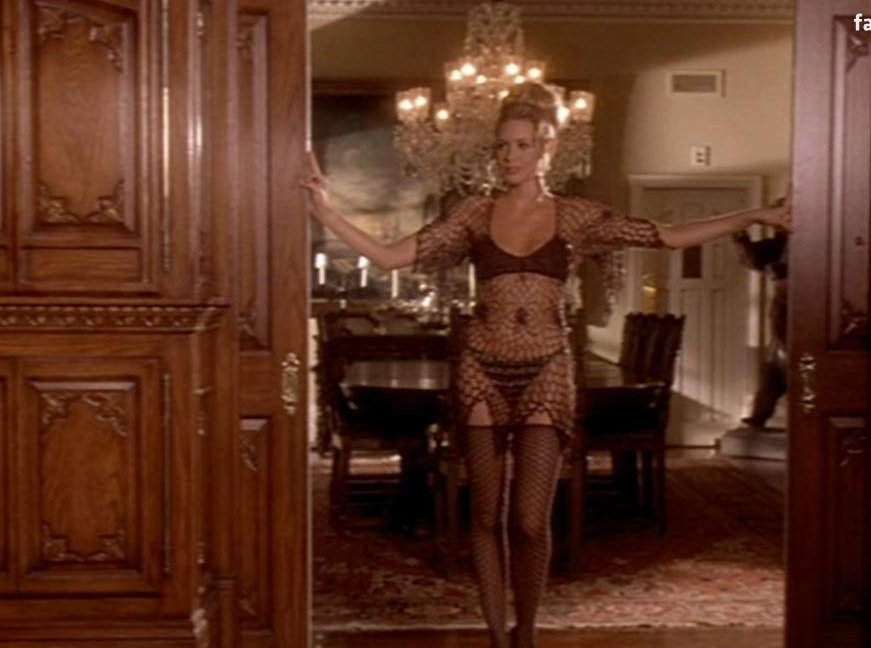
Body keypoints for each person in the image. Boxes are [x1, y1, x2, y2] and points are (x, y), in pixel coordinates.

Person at [301, 81, 792, 648]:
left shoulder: (576, 217)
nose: (508, 156)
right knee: (485, 516)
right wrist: (324, 210)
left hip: (545, 373)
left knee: (531, 520)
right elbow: (391, 256)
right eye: (501, 145)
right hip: (481, 370)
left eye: (521, 145)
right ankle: (496, 636)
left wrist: (755, 214)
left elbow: (669, 236)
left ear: (547, 149)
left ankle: (526, 632)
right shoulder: (474, 214)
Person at [732, 212, 788, 428]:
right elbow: (752, 258)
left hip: (802, 309)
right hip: (783, 310)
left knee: (781, 363)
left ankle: (762, 414)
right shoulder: (779, 244)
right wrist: (739, 235)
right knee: (774, 364)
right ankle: (760, 414)